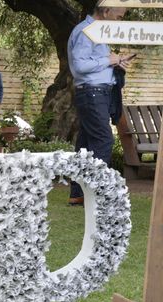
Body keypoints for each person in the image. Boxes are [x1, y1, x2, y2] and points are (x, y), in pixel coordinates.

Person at [67, 2, 131, 205]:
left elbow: (95, 62)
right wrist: (109, 61)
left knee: (85, 145)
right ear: (106, 11)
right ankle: (96, 193)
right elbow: (79, 66)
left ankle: (78, 193)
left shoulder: (97, 33)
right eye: (119, 17)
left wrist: (116, 62)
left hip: (95, 93)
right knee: (104, 140)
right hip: (93, 93)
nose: (120, 21)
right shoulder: (88, 31)